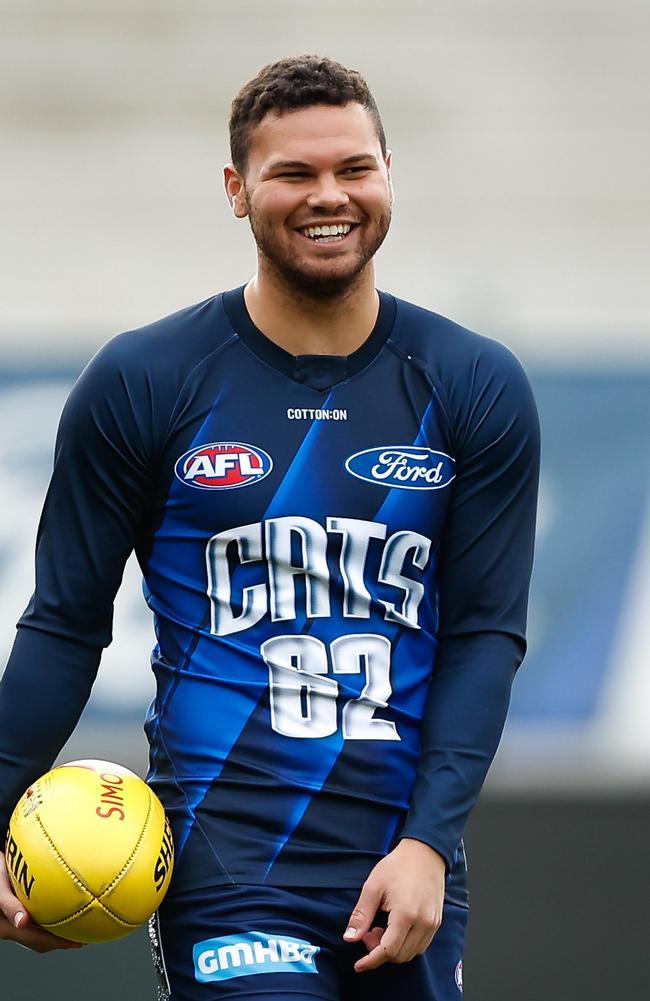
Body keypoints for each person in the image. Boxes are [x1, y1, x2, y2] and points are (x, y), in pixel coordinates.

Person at [0, 55, 540, 1000]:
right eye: (293, 173)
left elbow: (485, 635)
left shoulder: (473, 384)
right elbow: (62, 624)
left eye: (354, 168)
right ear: (237, 190)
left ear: (387, 175)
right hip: (225, 861)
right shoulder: (144, 380)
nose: (328, 195)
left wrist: (428, 841)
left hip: (405, 871)